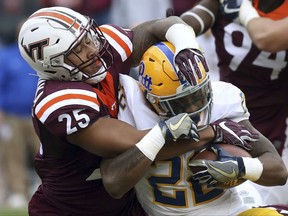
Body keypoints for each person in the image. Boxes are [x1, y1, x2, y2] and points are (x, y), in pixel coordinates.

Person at [17, 5, 233, 215]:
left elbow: (160, 26)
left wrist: (186, 44)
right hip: (72, 208)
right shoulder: (59, 99)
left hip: (126, 204)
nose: (93, 49)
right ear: (54, 65)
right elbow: (135, 143)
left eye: (87, 38)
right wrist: (213, 131)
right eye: (79, 50)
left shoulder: (103, 47)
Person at [117, 41, 288, 215]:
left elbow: (279, 171)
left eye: (198, 95)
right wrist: (209, 132)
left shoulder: (223, 103)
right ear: (152, 98)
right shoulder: (133, 109)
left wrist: (242, 167)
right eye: (181, 102)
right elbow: (114, 183)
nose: (193, 109)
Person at [180, 0, 288, 204]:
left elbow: (266, 37)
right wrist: (175, 33)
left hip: (278, 123)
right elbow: (186, 24)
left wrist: (243, 10)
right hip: (228, 118)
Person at [0, 19, 39, 207]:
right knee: (13, 155)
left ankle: (44, 188)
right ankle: (17, 192)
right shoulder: (7, 56)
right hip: (13, 115)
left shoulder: (40, 58)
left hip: (38, 116)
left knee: (44, 154)